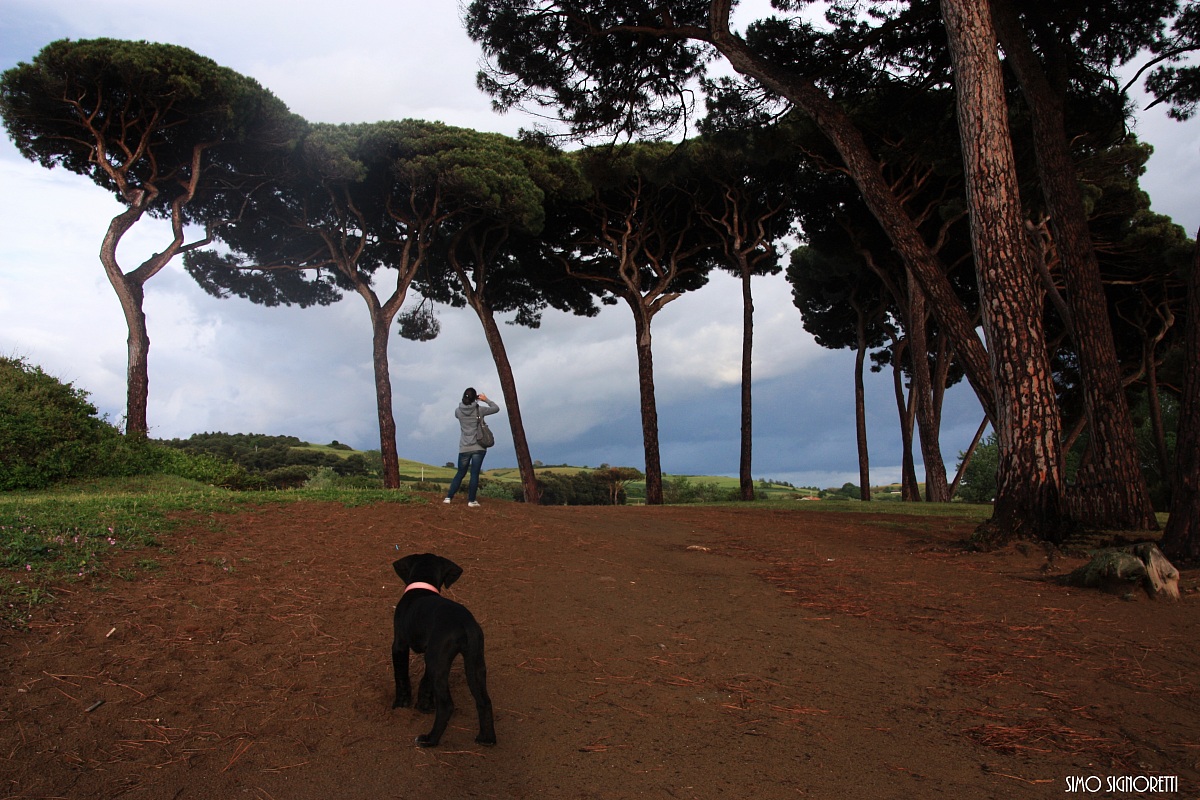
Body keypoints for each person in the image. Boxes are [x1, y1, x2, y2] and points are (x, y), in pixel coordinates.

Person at [444, 387, 499, 507]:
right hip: (479, 447)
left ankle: (448, 497)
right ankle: (471, 501)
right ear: (476, 397)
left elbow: (462, 411)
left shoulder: (457, 411)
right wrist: (485, 400)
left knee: (460, 473)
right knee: (474, 474)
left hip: (464, 447)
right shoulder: (480, 410)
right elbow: (496, 408)